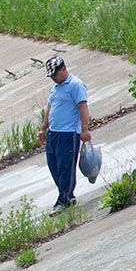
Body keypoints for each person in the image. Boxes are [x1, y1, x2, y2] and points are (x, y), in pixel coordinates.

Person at [37, 55, 91, 210]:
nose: (53, 78)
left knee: (65, 166)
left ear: (63, 69)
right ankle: (68, 196)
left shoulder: (75, 85)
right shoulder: (54, 88)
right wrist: (43, 128)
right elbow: (50, 108)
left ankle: (63, 201)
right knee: (53, 165)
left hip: (69, 133)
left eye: (55, 74)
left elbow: (83, 107)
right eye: (51, 76)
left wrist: (85, 129)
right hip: (54, 133)